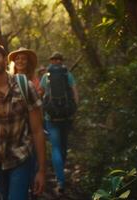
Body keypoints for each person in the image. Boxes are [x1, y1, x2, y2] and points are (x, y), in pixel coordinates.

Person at [0, 43, 46, 200]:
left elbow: (37, 130)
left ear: (5, 60)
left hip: (21, 157)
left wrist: (41, 170)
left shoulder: (24, 86)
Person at [40, 51, 79, 194]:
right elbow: (75, 94)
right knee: (63, 146)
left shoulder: (46, 76)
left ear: (51, 61)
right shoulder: (68, 75)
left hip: (51, 117)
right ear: (61, 61)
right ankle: (61, 173)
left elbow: (41, 95)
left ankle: (60, 180)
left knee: (55, 147)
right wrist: (74, 109)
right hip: (66, 117)